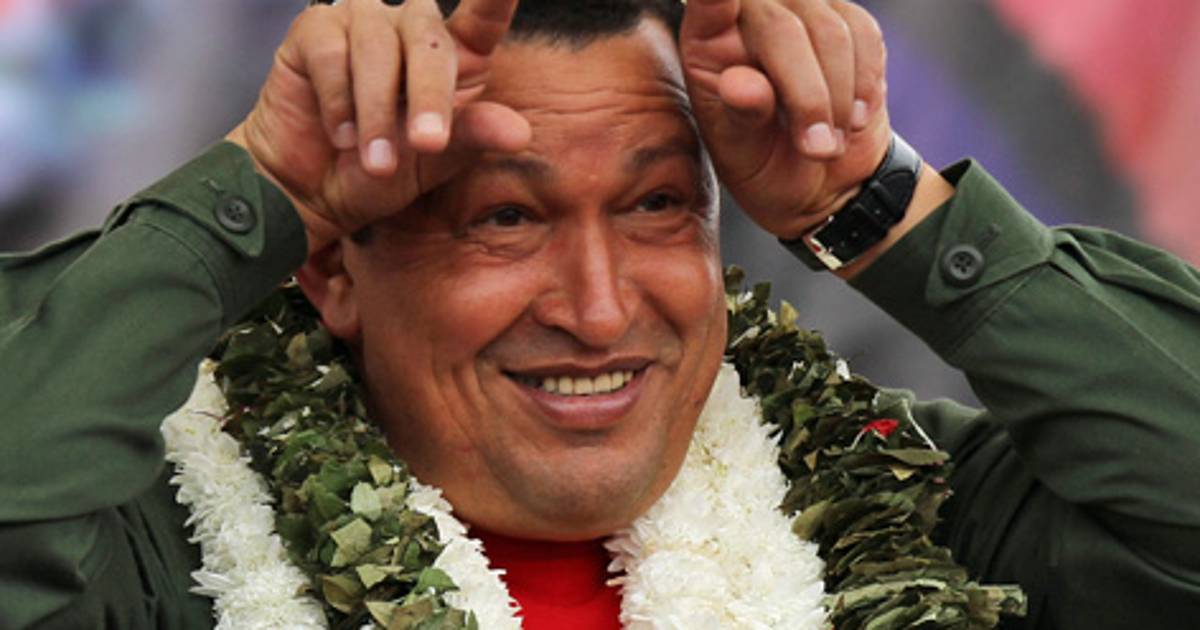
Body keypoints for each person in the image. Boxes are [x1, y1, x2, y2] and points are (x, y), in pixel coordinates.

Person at [1, 0, 1198, 628]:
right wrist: (257, 193)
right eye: (504, 218)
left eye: (658, 205)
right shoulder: (163, 552)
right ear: (331, 272)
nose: (598, 304)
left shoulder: (899, 506)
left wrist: (879, 203)